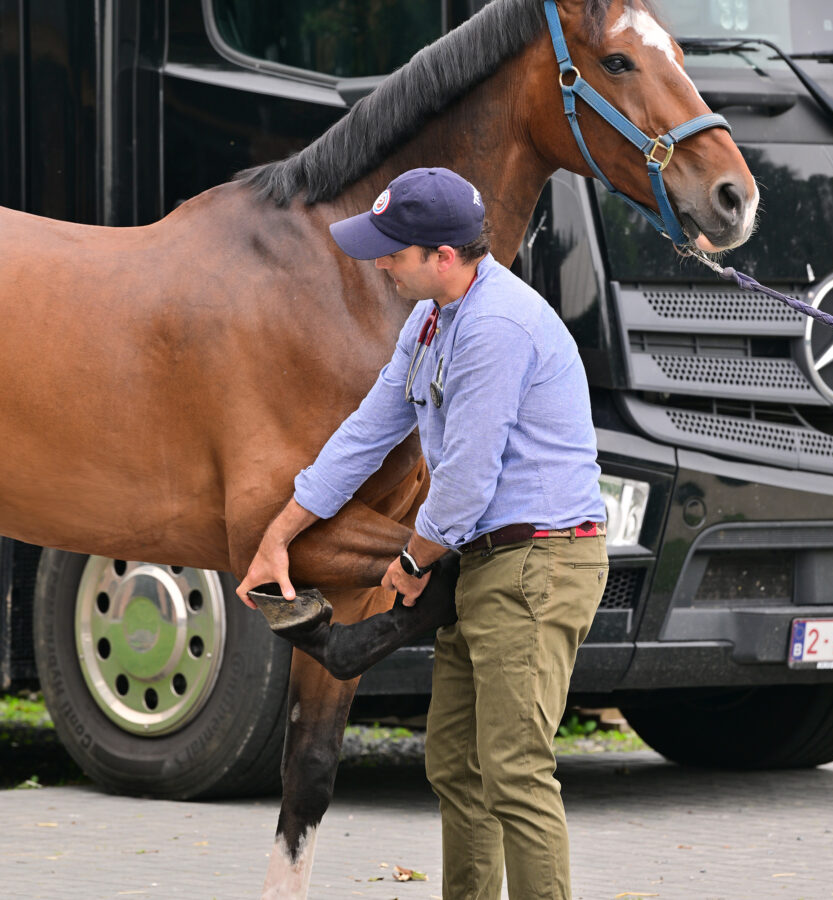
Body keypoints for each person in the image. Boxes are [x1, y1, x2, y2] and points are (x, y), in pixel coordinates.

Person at [237, 166, 608, 900]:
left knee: (514, 770)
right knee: (455, 767)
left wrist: (411, 559)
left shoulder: (496, 327)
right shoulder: (434, 319)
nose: (379, 262)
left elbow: (467, 477)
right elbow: (368, 431)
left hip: (539, 563)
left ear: (443, 255)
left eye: (393, 251)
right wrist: (279, 531)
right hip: (484, 559)